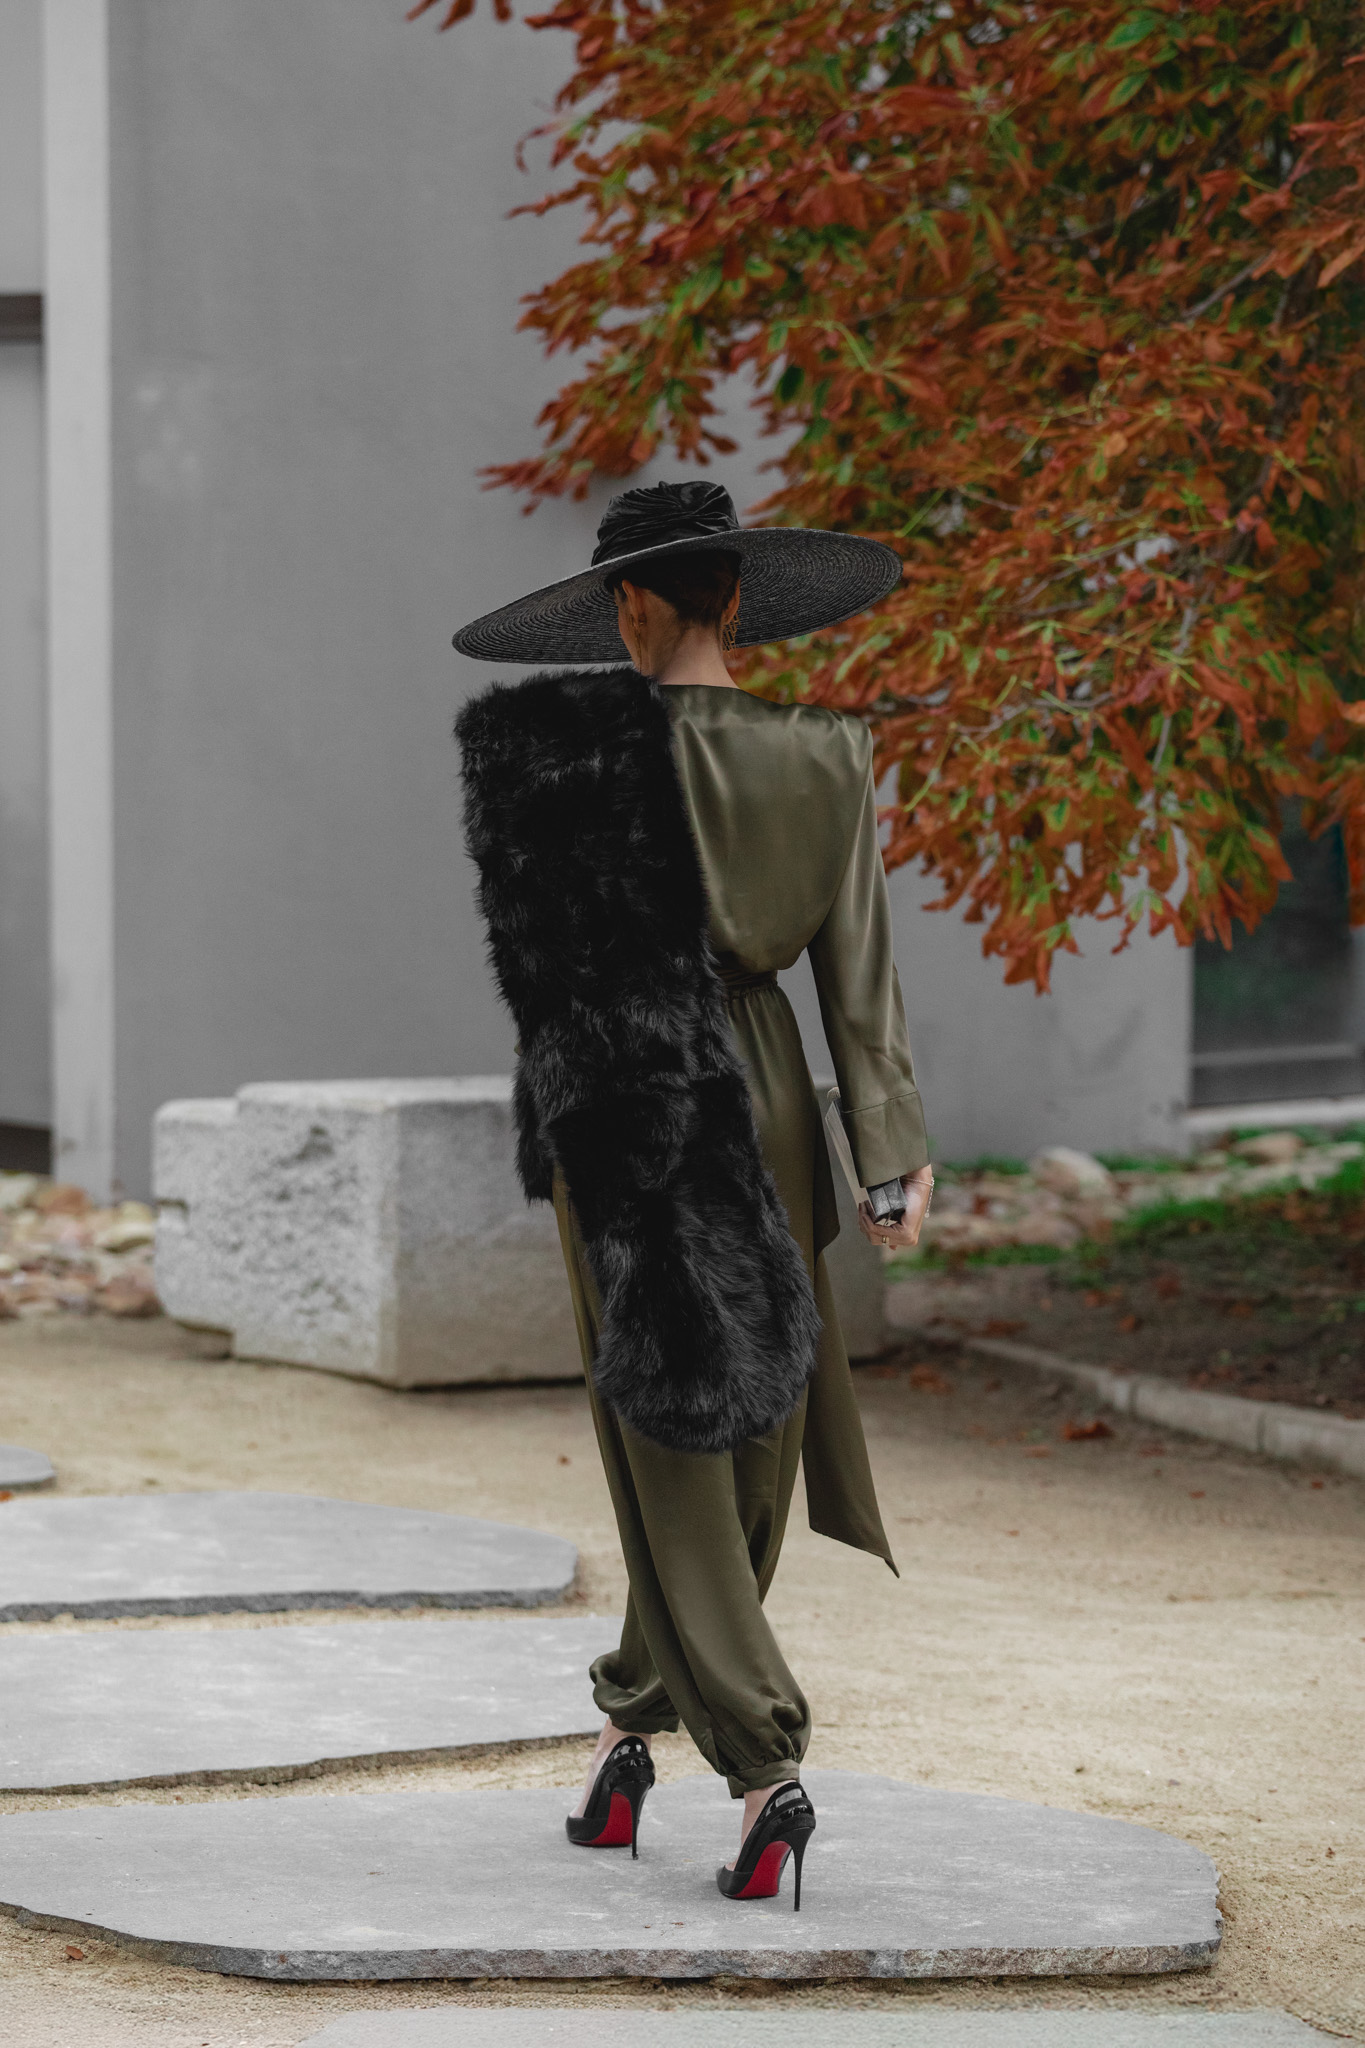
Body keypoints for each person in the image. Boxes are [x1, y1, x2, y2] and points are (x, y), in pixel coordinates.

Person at [454, 480, 933, 1912]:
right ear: (736, 599)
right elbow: (860, 973)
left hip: (629, 1089)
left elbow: (548, 976)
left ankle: (762, 1766)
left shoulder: (558, 755)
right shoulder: (825, 751)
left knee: (667, 1428)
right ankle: (626, 1729)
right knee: (755, 1411)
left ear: (630, 605)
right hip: (773, 1081)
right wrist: (890, 1147)